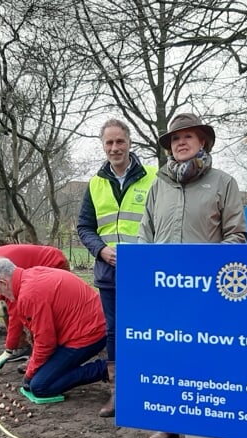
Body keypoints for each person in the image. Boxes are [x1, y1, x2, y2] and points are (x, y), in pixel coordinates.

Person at [139, 112, 247, 438]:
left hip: (207, 291)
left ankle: (216, 420)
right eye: (175, 138)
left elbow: (237, 235)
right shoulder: (159, 185)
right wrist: (146, 273)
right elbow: (146, 234)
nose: (181, 142)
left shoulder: (223, 182)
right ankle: (168, 421)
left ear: (203, 141)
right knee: (168, 355)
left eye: (188, 136)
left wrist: (204, 267)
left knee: (211, 356)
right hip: (166, 292)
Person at [77, 118, 157, 417]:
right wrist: (101, 250)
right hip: (109, 273)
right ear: (103, 146)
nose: (114, 148)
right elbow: (85, 226)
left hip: (146, 274)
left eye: (119, 141)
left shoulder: (153, 176)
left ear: (129, 143)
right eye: (109, 143)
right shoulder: (95, 183)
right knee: (115, 333)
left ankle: (151, 391)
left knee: (150, 331)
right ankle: (119, 392)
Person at [0, 257, 108, 398]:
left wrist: (29, 374)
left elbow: (45, 342)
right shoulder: (32, 274)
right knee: (40, 372)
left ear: (3, 283)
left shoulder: (29, 295)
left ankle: (106, 369)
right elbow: (40, 333)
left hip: (89, 333)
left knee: (40, 386)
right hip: (88, 324)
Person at [0, 244, 71, 374]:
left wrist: (8, 349)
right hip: (31, 270)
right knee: (1, 307)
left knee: (37, 316)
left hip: (53, 263)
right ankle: (22, 346)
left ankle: (47, 358)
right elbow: (3, 298)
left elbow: (15, 314)